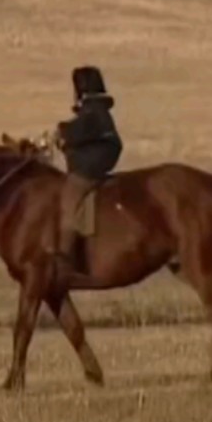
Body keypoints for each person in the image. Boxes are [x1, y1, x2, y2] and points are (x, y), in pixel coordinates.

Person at [53, 65, 124, 281]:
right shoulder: (96, 110)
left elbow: (75, 131)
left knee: (69, 200)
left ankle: (64, 259)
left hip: (89, 167)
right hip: (99, 161)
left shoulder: (93, 112)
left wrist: (61, 133)